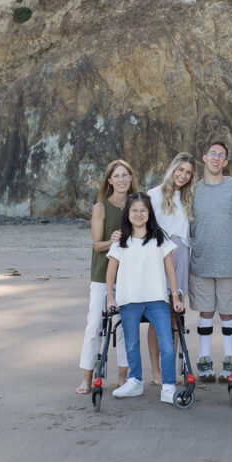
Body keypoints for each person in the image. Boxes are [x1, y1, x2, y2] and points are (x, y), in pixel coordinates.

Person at [106, 192, 185, 403]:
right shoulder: (121, 240)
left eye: (143, 210)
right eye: (134, 210)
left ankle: (168, 386)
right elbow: (111, 271)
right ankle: (135, 382)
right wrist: (110, 298)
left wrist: (175, 297)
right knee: (131, 343)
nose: (139, 214)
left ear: (149, 213)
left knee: (167, 342)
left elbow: (170, 270)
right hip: (129, 300)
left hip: (156, 300)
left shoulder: (160, 237)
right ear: (128, 214)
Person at [189, 141, 232, 383]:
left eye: (222, 155)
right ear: (204, 157)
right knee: (205, 312)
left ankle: (231, 359)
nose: (217, 158)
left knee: (228, 313)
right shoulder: (193, 190)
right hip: (202, 262)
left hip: (229, 263)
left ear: (226, 162)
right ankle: (204, 359)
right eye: (213, 154)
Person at [77, 159, 135, 395]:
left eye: (125, 175)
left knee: (124, 329)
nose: (121, 180)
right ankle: (86, 379)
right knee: (94, 327)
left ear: (131, 178)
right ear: (109, 180)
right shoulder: (101, 207)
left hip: (129, 277)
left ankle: (123, 379)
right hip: (102, 276)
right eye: (117, 176)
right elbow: (97, 245)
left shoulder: (137, 204)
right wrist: (111, 241)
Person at [146, 152, 196, 384]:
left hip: (182, 257)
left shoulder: (190, 197)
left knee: (176, 315)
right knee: (158, 315)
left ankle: (170, 369)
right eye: (180, 170)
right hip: (158, 256)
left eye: (188, 172)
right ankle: (156, 371)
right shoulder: (153, 195)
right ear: (172, 169)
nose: (183, 176)